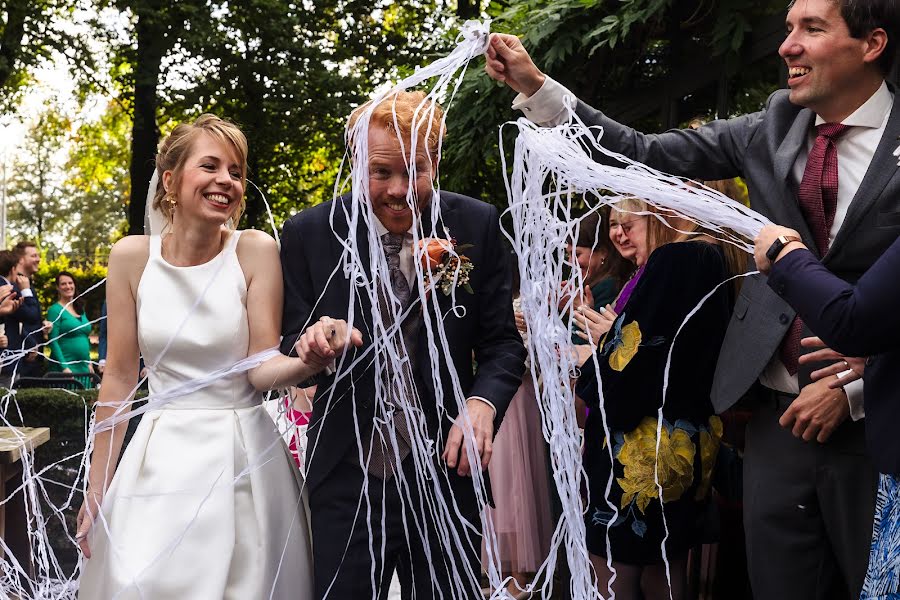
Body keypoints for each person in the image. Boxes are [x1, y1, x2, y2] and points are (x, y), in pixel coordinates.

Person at [486, 1, 900, 595]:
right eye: (787, 29)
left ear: (872, 43)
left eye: (812, 29)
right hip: (775, 422)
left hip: (879, 424)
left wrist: (857, 385)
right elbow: (641, 156)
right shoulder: (772, 126)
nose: (787, 46)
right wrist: (538, 88)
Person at [75, 114, 356, 598]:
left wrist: (311, 358)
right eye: (211, 166)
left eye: (236, 171)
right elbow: (120, 376)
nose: (227, 180)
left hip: (242, 457)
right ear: (170, 180)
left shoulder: (255, 251)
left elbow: (262, 369)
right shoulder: (130, 257)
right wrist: (98, 484)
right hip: (157, 460)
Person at [280, 91, 526, 599]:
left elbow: (503, 343)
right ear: (355, 164)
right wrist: (313, 348)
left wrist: (481, 405)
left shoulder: (475, 224)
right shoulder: (309, 234)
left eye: (413, 171)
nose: (398, 191)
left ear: (434, 162)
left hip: (446, 472)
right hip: (347, 476)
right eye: (381, 172)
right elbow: (288, 350)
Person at [572, 201, 742, 599]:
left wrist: (602, 347)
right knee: (666, 567)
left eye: (629, 220)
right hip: (689, 440)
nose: (622, 232)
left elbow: (634, 364)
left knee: (616, 573)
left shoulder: (677, 258)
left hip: (642, 450)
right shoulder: (716, 255)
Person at [753, 224, 900, 599]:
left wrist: (783, 252)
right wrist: (879, 357)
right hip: (774, 424)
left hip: (868, 437)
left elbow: (854, 320)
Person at [482, 264, 553, 598]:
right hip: (490, 402)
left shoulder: (527, 305)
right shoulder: (488, 307)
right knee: (497, 483)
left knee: (519, 483)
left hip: (519, 399)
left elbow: (531, 360)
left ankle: (521, 575)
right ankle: (498, 572)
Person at [46, 272, 93, 385]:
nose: (68, 286)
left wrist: (89, 362)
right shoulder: (55, 310)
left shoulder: (80, 309)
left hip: (83, 368)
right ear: (57, 287)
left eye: (70, 283)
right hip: (66, 368)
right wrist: (64, 367)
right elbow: (53, 341)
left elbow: (85, 338)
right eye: (63, 284)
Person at [12, 241, 45, 377]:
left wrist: (43, 324)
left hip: (34, 358)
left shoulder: (27, 283)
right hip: (22, 357)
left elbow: (33, 316)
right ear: (20, 259)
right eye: (34, 256)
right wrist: (30, 343)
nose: (38, 259)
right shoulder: (13, 285)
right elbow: (14, 319)